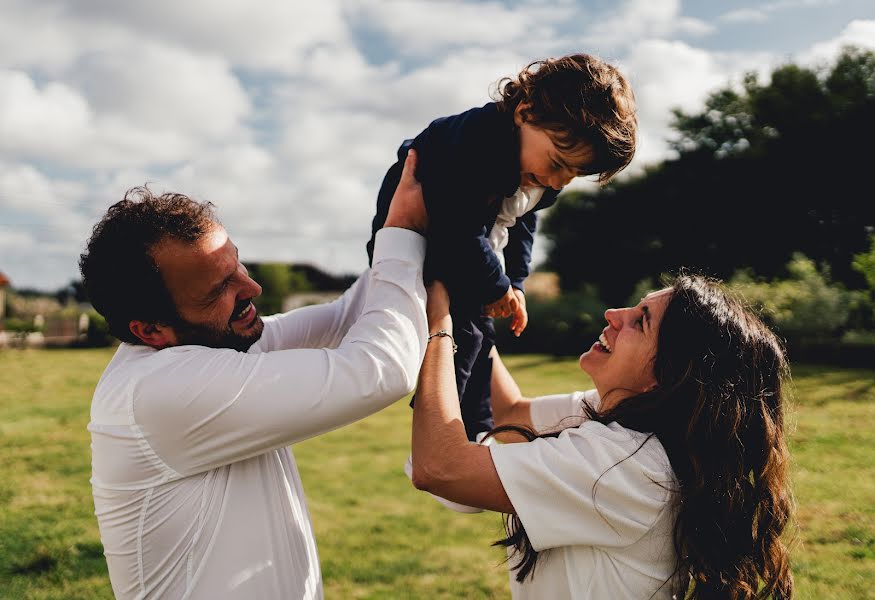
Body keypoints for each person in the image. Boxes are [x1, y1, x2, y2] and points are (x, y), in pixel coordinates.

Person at [80, 151, 428, 599]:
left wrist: (420, 225)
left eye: (236, 265)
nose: (251, 288)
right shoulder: (158, 390)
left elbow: (345, 318)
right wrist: (401, 237)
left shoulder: (209, 343)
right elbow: (380, 371)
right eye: (217, 290)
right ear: (151, 330)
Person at [411, 275, 794, 599]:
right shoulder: (627, 417)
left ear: (670, 375)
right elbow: (509, 411)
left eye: (640, 322)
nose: (613, 315)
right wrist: (473, 311)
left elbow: (440, 467)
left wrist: (439, 323)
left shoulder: (628, 465)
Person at [367, 53, 637, 447]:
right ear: (525, 111)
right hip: (419, 238)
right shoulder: (477, 142)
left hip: (466, 246)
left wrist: (517, 284)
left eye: (573, 174)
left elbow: (524, 223)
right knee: (466, 335)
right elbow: (456, 228)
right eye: (558, 163)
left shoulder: (535, 170)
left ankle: (477, 430)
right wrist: (496, 287)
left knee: (482, 336)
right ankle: (439, 437)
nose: (558, 181)